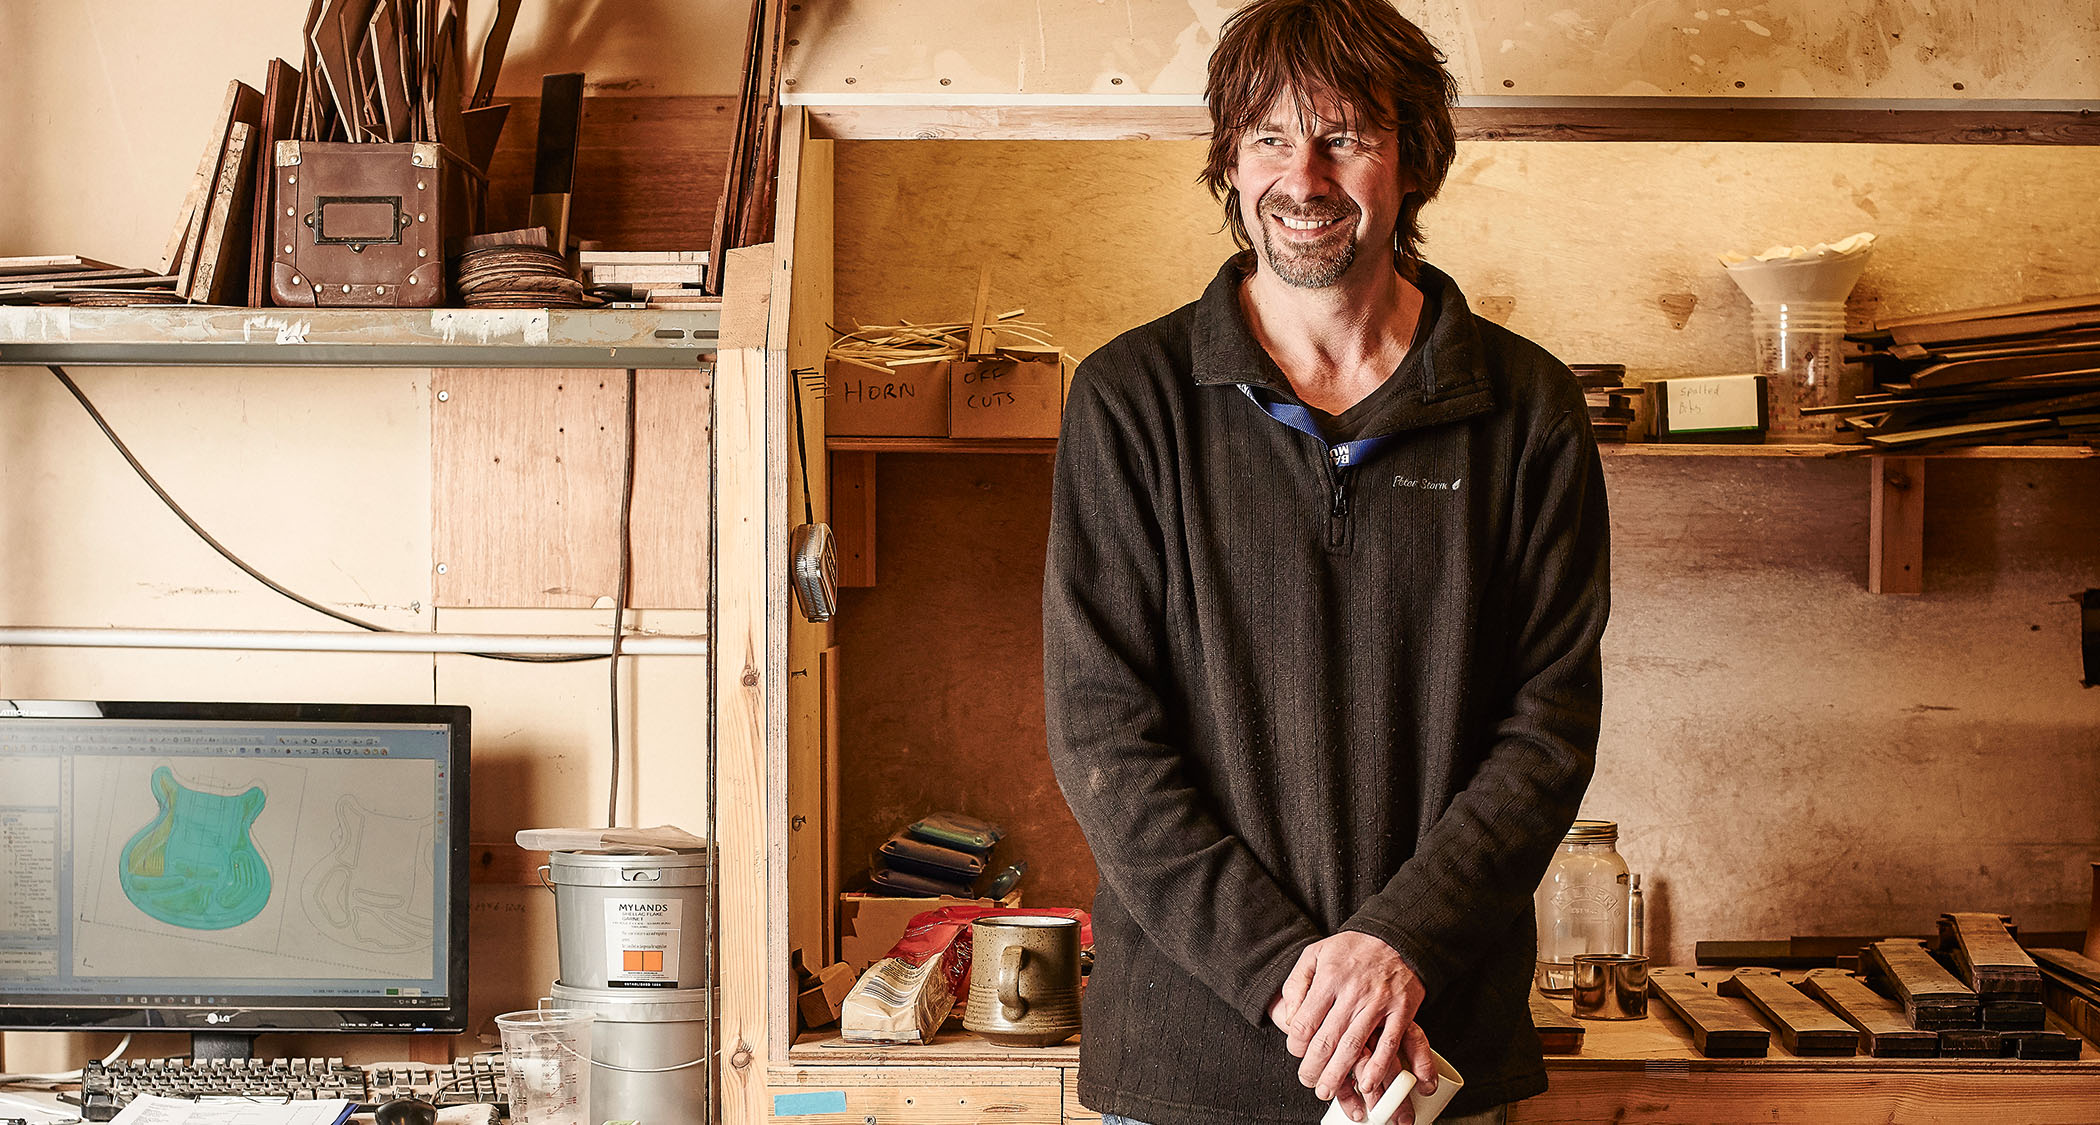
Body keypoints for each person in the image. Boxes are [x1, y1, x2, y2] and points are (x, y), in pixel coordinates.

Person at [1040, 1, 1612, 1123]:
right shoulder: (1130, 402)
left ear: (1415, 159)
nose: (1300, 177)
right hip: (1184, 1073)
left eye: (1344, 135)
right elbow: (1104, 734)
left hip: (1428, 1055)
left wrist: (1400, 947)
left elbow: (1547, 733)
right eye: (1266, 138)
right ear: (1229, 161)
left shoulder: (1527, 408)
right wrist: (1299, 984)